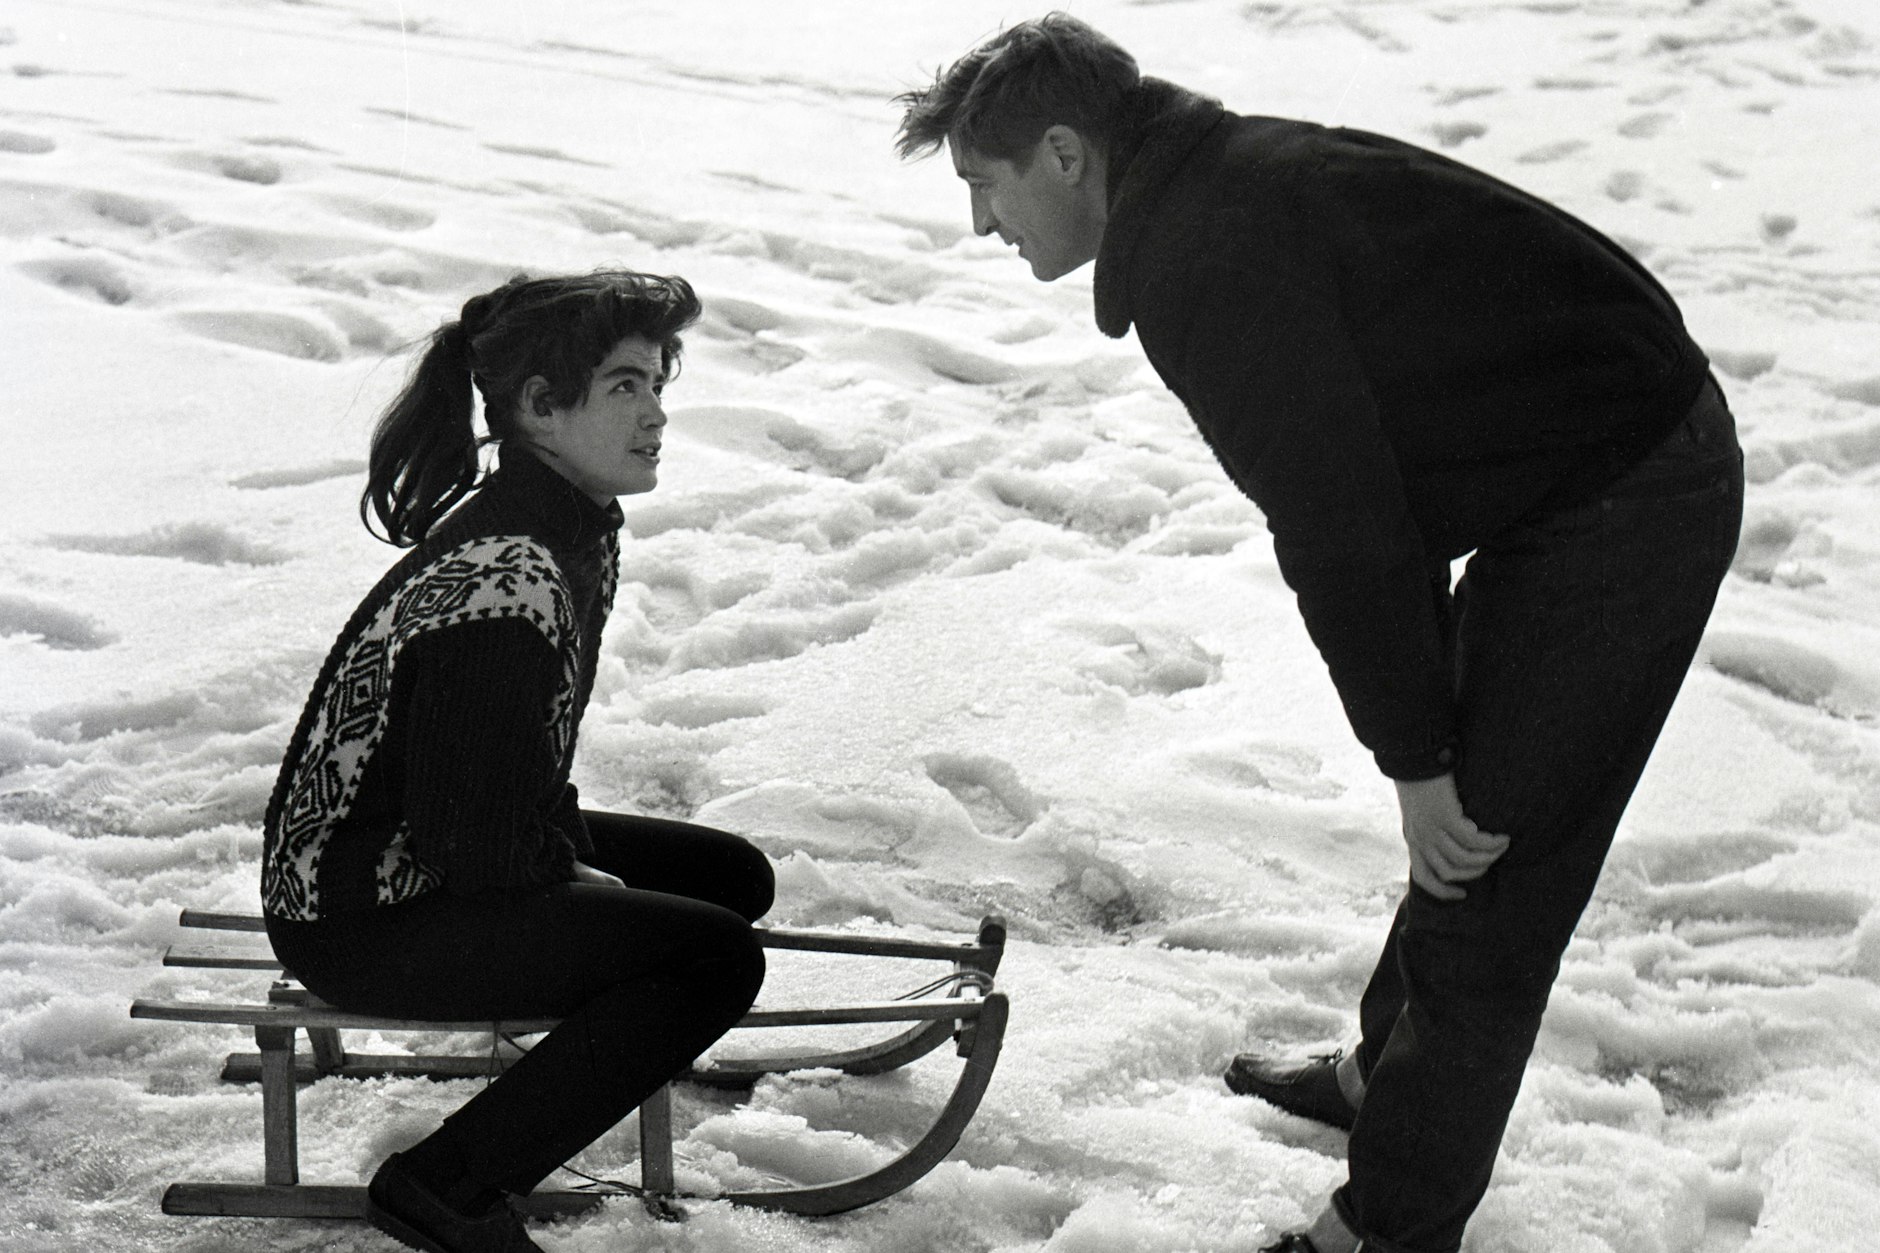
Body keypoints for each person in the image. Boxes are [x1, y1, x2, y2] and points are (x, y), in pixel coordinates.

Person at [896, 15, 1741, 1253]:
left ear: (1066, 154)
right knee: (1465, 825)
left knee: (1482, 862)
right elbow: (1361, 508)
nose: (981, 225)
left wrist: (1416, 762)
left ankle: (1385, 1229)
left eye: (985, 185)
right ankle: (1378, 1079)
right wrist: (1423, 746)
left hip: (1626, 494)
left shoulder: (1211, 253)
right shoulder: (1208, 194)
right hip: (1573, 469)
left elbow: (1343, 529)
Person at [259, 269, 775, 1253]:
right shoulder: (512, 571)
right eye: (625, 387)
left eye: (659, 384)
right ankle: (442, 1184)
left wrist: (571, 862)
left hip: (412, 857)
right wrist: (566, 873)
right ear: (540, 405)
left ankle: (620, 1031)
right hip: (361, 912)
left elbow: (511, 764)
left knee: (729, 878)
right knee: (715, 957)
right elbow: (470, 838)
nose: (656, 414)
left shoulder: (561, 522)